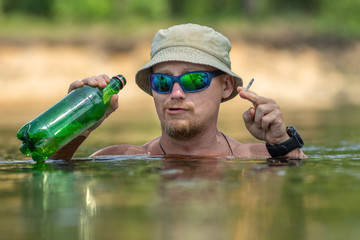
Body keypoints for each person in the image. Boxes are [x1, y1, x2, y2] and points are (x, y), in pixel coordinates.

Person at [52, 23, 306, 160]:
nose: (175, 93)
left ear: (226, 86)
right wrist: (76, 126)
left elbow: (295, 202)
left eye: (194, 80)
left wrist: (282, 143)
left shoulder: (260, 157)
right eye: (162, 81)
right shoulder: (120, 158)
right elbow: (51, 175)